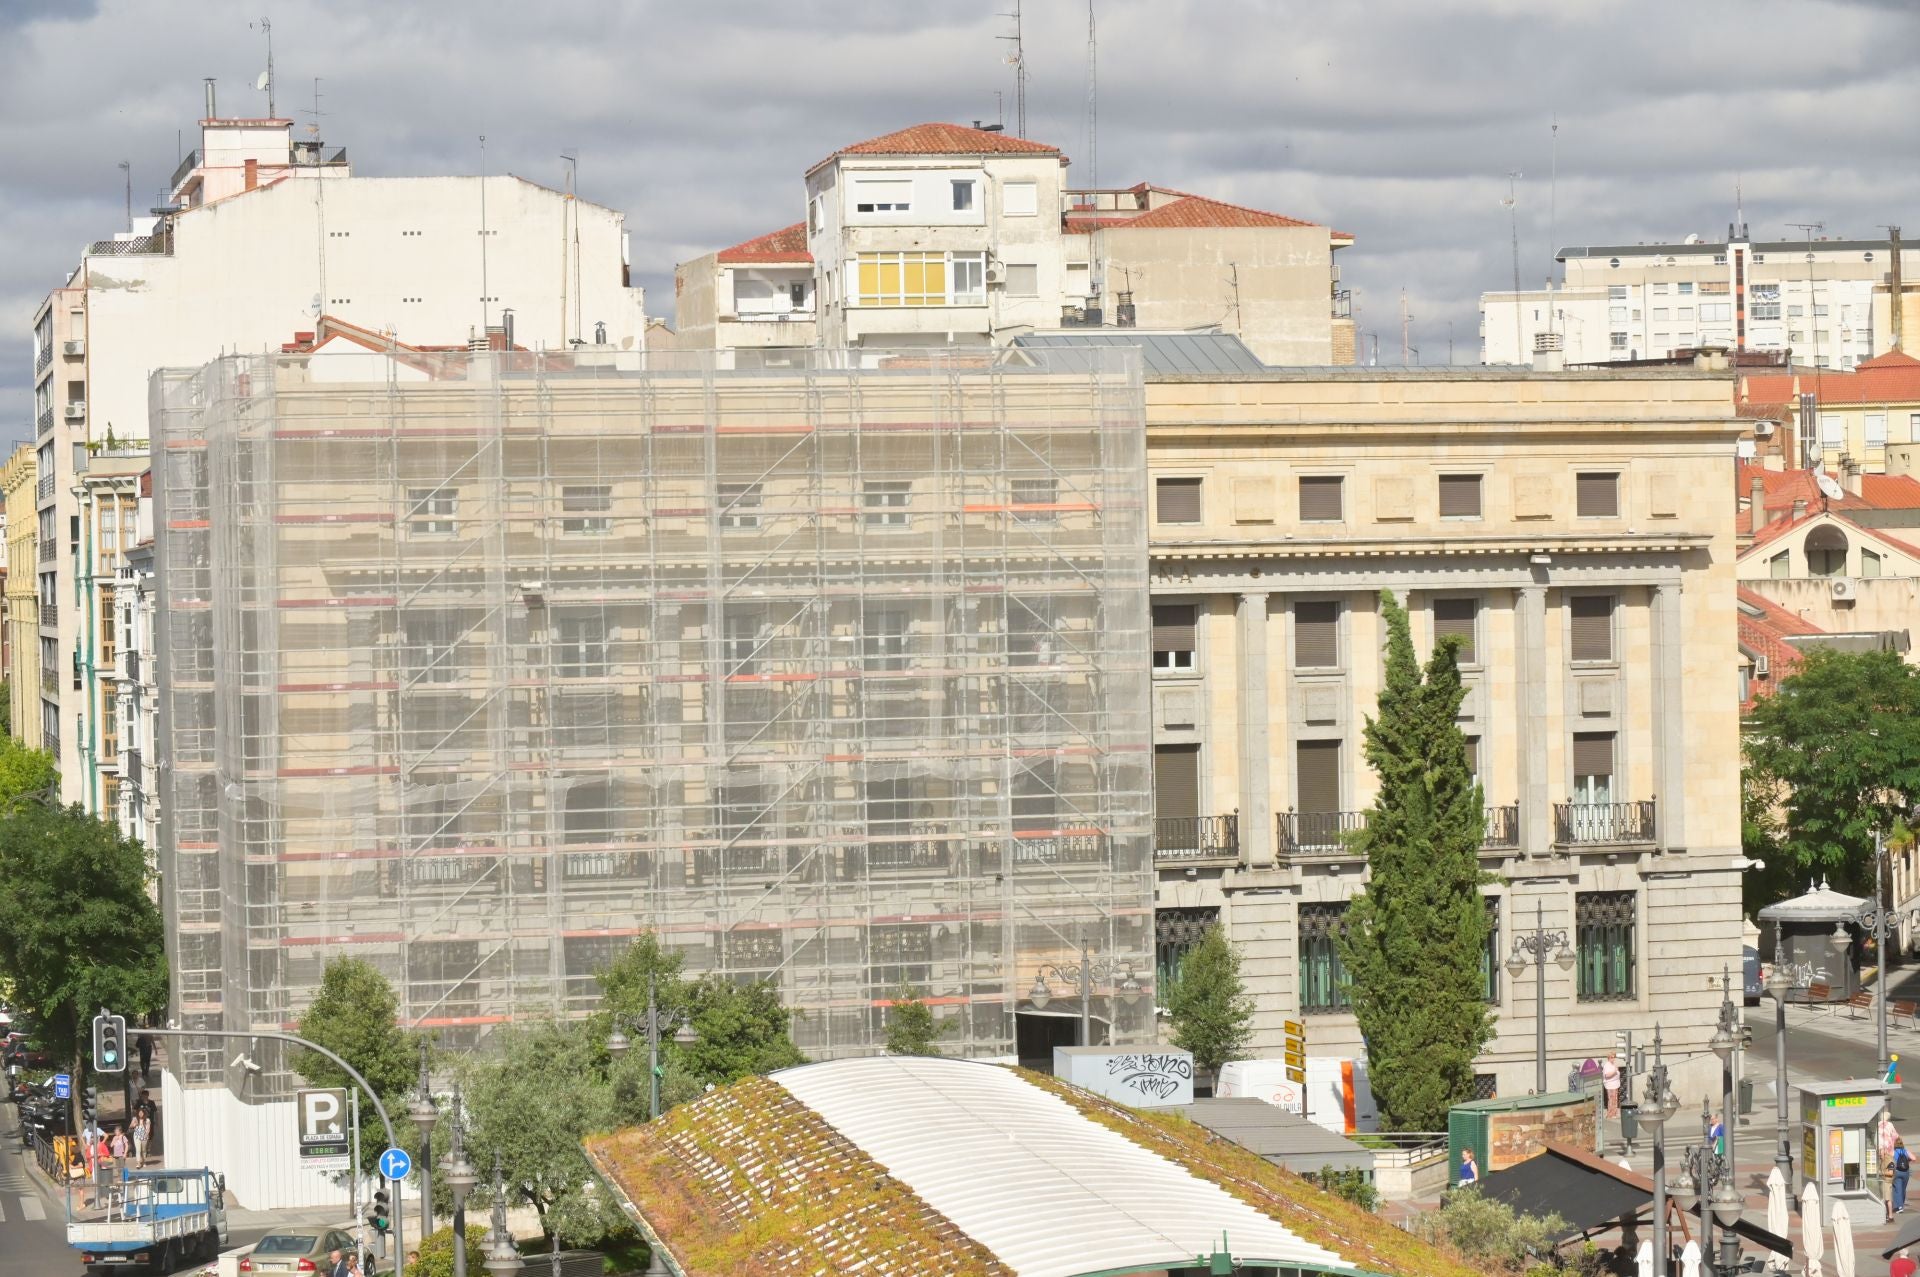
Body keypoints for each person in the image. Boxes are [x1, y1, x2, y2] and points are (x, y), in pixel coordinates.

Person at [1884, 1114, 1902, 1221]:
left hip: (1886, 1161)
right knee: (1888, 1186)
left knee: (1887, 1188)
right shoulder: (1890, 1125)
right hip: (1890, 1159)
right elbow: (1896, 1137)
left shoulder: (1878, 1125)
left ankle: (1889, 1215)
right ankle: (1890, 1215)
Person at [1602, 1052, 1622, 1120]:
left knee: (1615, 1099)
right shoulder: (1607, 1065)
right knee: (1611, 1099)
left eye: (1614, 1057)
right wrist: (1615, 1071)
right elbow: (1607, 1075)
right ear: (1609, 1058)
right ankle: (1610, 1114)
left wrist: (1616, 1070)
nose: (1613, 1059)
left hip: (1615, 1084)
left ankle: (1614, 1113)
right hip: (1610, 1085)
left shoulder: (1612, 1064)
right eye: (1612, 1057)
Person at [1896, 1136, 1912, 1215]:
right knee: (1903, 1189)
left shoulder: (1893, 1151)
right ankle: (1901, 1204)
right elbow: (1914, 1158)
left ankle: (1900, 1207)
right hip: (1906, 1172)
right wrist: (1908, 1160)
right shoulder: (1905, 1151)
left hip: (1897, 1171)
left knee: (1898, 1190)